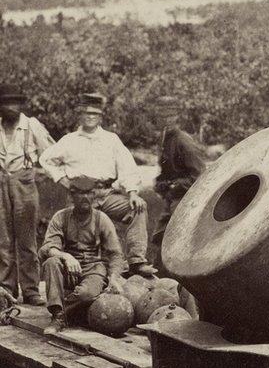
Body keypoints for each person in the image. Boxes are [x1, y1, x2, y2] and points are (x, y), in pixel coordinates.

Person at [39, 93, 156, 277]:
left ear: (101, 116)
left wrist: (133, 193)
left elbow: (127, 166)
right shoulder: (69, 140)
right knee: (74, 229)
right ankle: (76, 269)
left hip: (105, 193)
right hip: (80, 196)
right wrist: (63, 180)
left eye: (94, 113)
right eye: (86, 113)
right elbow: (45, 159)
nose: (90, 117)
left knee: (138, 209)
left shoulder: (111, 139)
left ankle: (136, 261)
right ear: (79, 115)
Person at [40, 176, 126, 335]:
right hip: (68, 268)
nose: (85, 197)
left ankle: (62, 313)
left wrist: (114, 277)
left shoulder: (102, 219)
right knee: (52, 262)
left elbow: (115, 254)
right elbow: (47, 248)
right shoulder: (61, 217)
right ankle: (59, 316)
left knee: (87, 294)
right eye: (80, 193)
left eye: (89, 193)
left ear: (94, 195)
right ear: (71, 196)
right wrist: (65, 256)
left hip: (93, 268)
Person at [0, 84, 54, 306]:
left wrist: (49, 174)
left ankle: (31, 289)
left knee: (27, 238)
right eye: (6, 104)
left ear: (21, 105)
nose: (11, 108)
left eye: (15, 103)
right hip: (1, 184)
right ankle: (6, 288)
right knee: (3, 239)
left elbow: (52, 154)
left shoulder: (31, 126)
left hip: (24, 185)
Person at [152, 95, 208, 270]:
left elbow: (200, 176)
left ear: (177, 116)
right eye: (162, 116)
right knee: (160, 237)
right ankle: (162, 277)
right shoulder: (164, 138)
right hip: (172, 196)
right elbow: (167, 169)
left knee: (179, 238)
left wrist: (176, 185)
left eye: (170, 116)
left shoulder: (183, 141)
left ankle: (184, 274)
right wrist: (161, 183)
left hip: (186, 198)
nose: (166, 120)